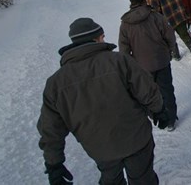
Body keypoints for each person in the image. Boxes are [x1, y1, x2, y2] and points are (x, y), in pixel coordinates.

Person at [37, 17, 168, 185]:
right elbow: (146, 89)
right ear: (95, 38)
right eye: (102, 36)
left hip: (100, 149)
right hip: (136, 139)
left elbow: (50, 127)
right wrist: (158, 110)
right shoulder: (118, 61)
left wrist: (54, 163)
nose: (104, 40)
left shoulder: (55, 83)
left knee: (111, 179)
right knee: (143, 178)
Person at [119, 0, 180, 131]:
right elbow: (169, 35)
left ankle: (157, 117)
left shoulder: (125, 24)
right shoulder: (155, 16)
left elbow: (124, 49)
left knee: (149, 92)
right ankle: (171, 119)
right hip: (162, 60)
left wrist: (131, 65)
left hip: (142, 66)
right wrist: (170, 49)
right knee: (167, 89)